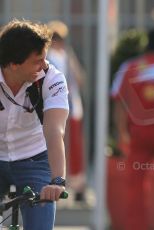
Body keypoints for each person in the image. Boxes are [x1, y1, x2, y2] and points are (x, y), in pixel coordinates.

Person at [0, 19, 69, 229]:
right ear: (14, 64)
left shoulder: (51, 78)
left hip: (34, 159)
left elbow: (54, 130)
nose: (44, 65)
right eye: (37, 60)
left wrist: (57, 180)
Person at [110, 28, 154, 230]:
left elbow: (119, 102)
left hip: (138, 134)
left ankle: (135, 226)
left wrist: (121, 132)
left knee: (135, 186)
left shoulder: (129, 66)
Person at [47, 20, 86, 202]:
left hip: (71, 108)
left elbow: (79, 79)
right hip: (54, 109)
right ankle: (58, 181)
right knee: (56, 146)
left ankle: (76, 185)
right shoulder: (46, 57)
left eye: (61, 38)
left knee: (73, 148)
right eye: (55, 38)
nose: (58, 41)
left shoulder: (66, 56)